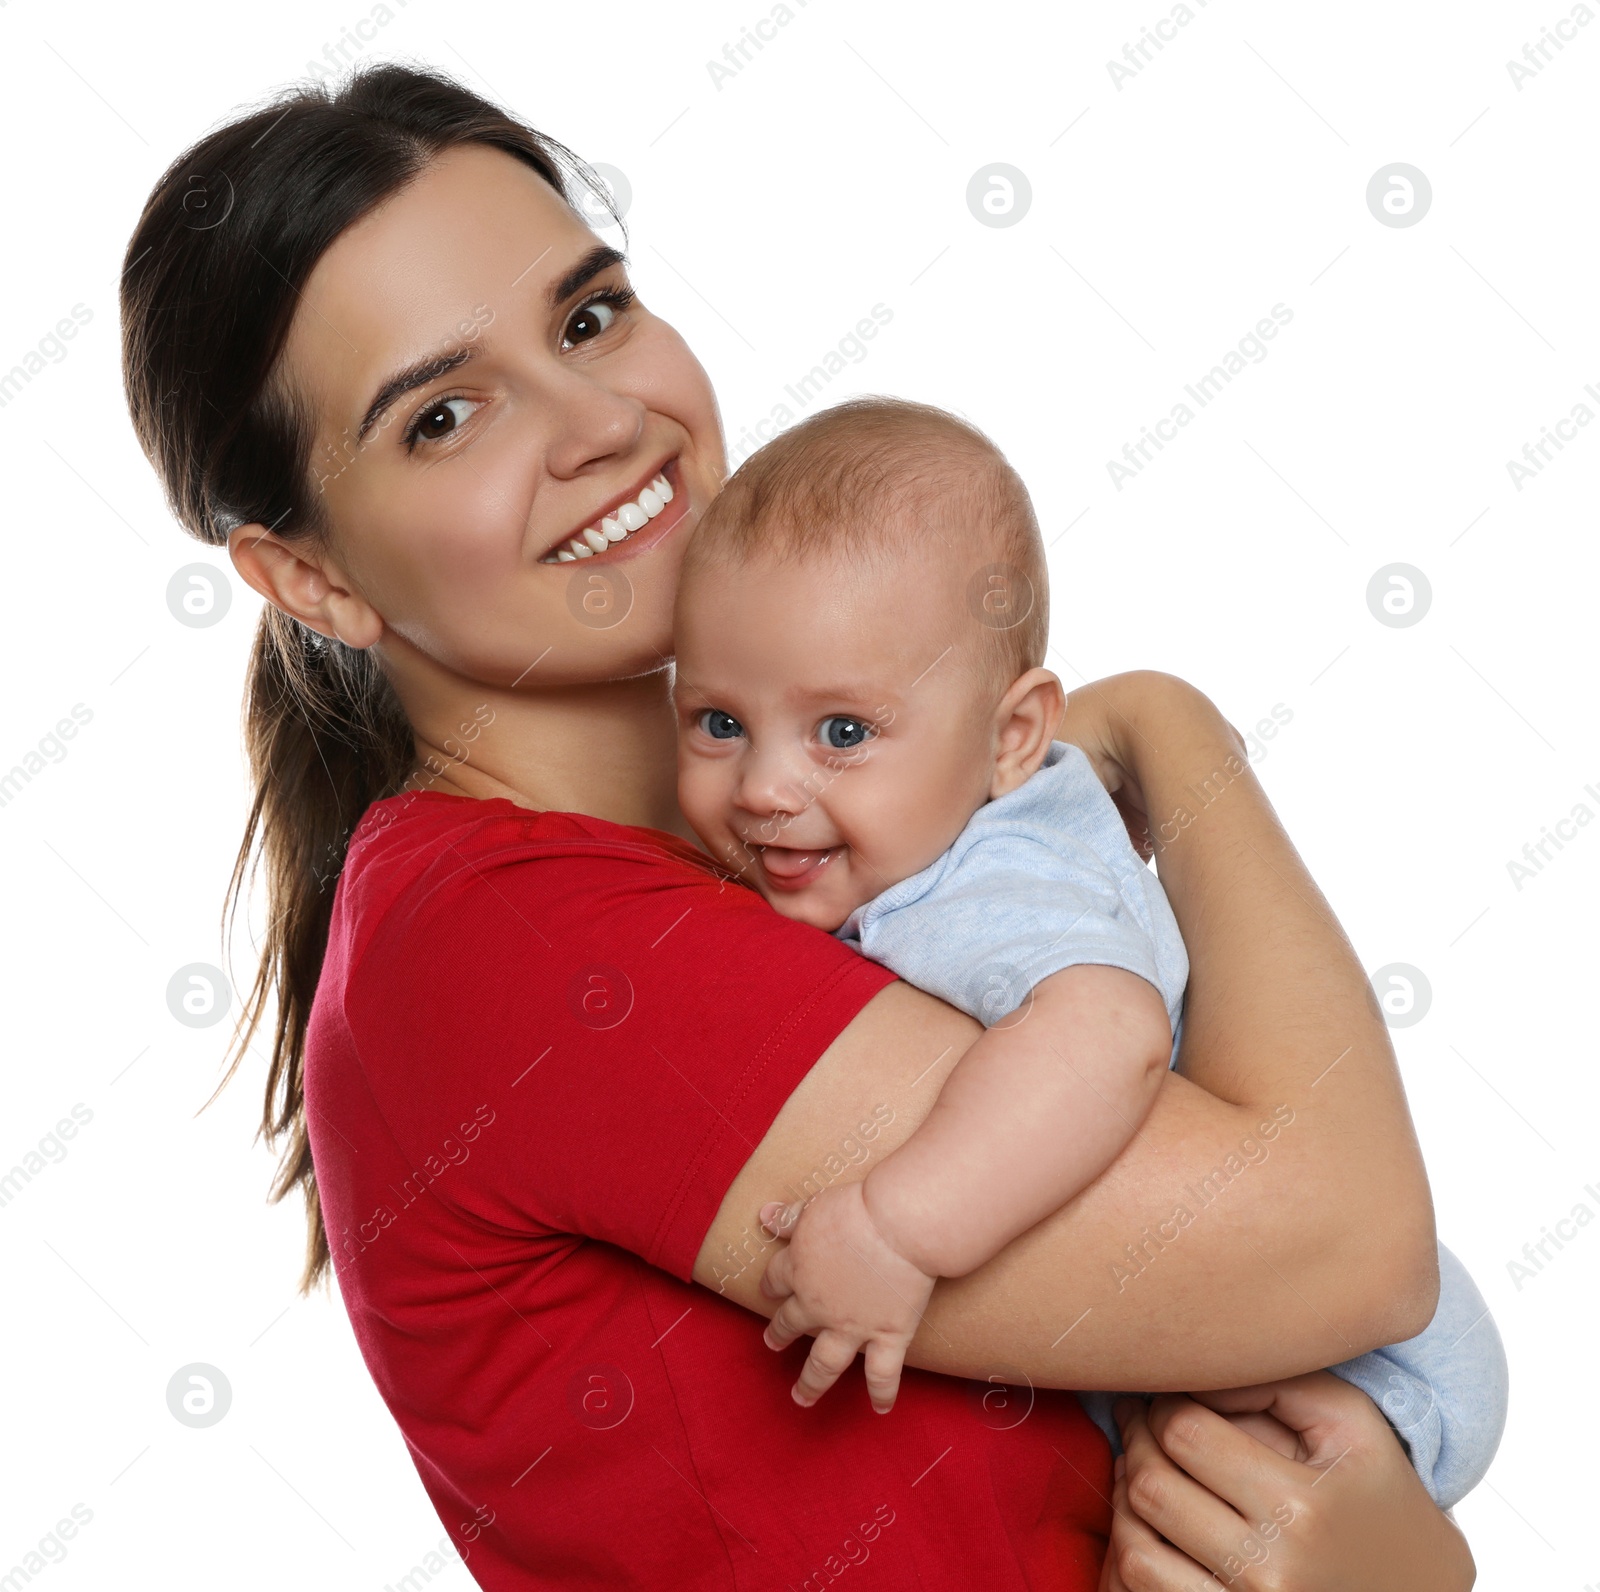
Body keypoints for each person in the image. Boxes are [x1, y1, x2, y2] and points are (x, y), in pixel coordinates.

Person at [118, 64, 1476, 1590]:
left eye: (588, 318)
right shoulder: (514, 941)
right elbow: (1345, 1245)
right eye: (443, 415)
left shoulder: (787, 860)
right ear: (313, 584)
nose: (599, 421)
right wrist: (1176, 731)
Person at [671, 392, 1507, 1508]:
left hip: (1359, 1366)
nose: (766, 788)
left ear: (1013, 735)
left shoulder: (976, 880)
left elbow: (1104, 1032)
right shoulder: (939, 821)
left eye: (842, 733)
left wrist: (895, 1225)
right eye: (719, 722)